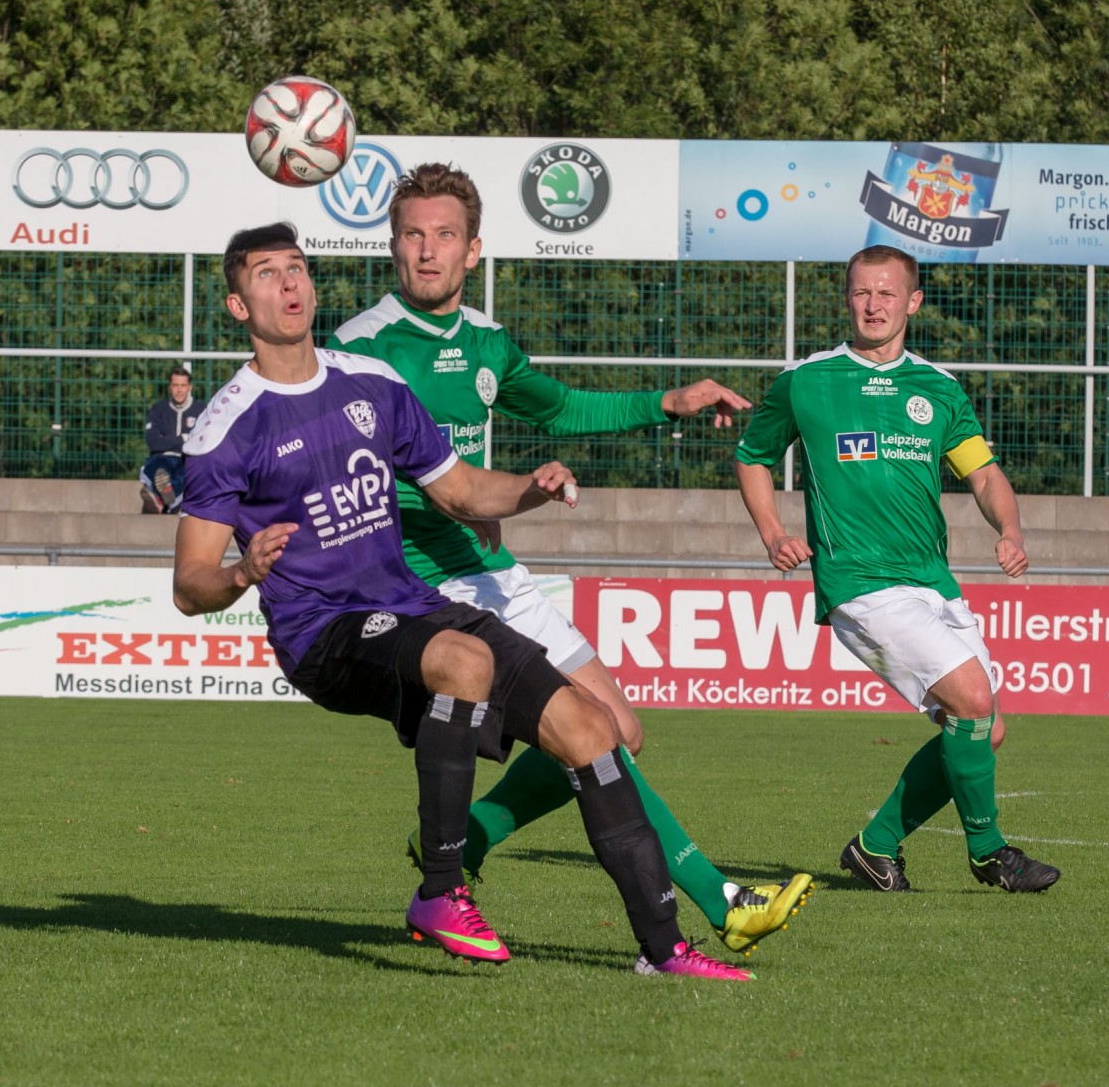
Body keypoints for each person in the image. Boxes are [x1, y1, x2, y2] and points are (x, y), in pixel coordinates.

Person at [173, 221, 752, 981]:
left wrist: (530, 490)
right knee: (463, 660)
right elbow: (190, 585)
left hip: (407, 603)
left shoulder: (372, 385)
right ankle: (440, 892)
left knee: (592, 725)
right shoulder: (227, 424)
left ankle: (665, 949)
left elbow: (458, 490)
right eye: (266, 276)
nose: (288, 285)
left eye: (297, 269)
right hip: (321, 632)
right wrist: (243, 570)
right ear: (237, 306)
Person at [328, 163, 813, 955]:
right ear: (393, 247)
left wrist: (666, 402)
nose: (427, 251)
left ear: (473, 250)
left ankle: (469, 841)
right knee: (592, 732)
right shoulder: (362, 348)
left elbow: (558, 406)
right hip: (423, 580)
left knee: (621, 727)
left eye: (443, 235)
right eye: (413, 235)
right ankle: (723, 900)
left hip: (490, 564)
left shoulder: (485, 342)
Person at [733, 244, 1061, 894]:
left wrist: (1011, 527)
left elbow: (985, 474)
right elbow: (752, 455)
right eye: (861, 292)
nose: (873, 305)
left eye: (887, 293)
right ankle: (992, 854)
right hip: (859, 582)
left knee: (984, 728)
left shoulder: (937, 390)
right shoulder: (807, 381)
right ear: (846, 298)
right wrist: (773, 533)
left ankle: (875, 846)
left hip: (933, 583)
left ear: (913, 301)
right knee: (971, 699)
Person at [140, 367, 205, 513]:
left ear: (190, 387)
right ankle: (167, 499)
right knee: (155, 469)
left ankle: (159, 500)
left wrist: (168, 440)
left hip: (187, 459)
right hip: (161, 458)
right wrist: (183, 438)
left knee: (187, 474)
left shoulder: (201, 410)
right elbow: (153, 442)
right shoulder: (158, 409)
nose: (179, 390)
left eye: (183, 385)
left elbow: (202, 441)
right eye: (175, 385)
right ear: (170, 387)